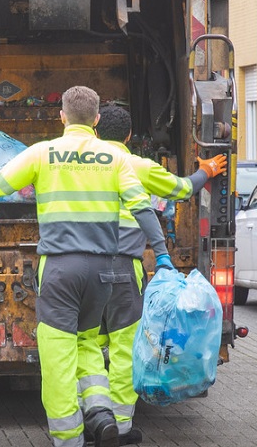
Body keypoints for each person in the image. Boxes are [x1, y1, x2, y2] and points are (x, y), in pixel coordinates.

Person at [0, 86, 170, 447]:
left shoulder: (42, 153)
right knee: (87, 344)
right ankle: (101, 413)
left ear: (62, 116)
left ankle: (68, 438)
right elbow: (143, 207)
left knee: (58, 356)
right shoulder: (116, 160)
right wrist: (162, 254)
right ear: (97, 120)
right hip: (103, 274)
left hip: (61, 270)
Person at [92, 105, 227, 444]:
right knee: (124, 349)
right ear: (127, 136)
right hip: (123, 270)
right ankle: (120, 428)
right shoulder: (136, 165)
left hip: (80, 269)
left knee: (87, 346)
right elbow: (182, 189)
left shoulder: (77, 164)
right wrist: (206, 171)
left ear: (95, 132)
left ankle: (93, 415)